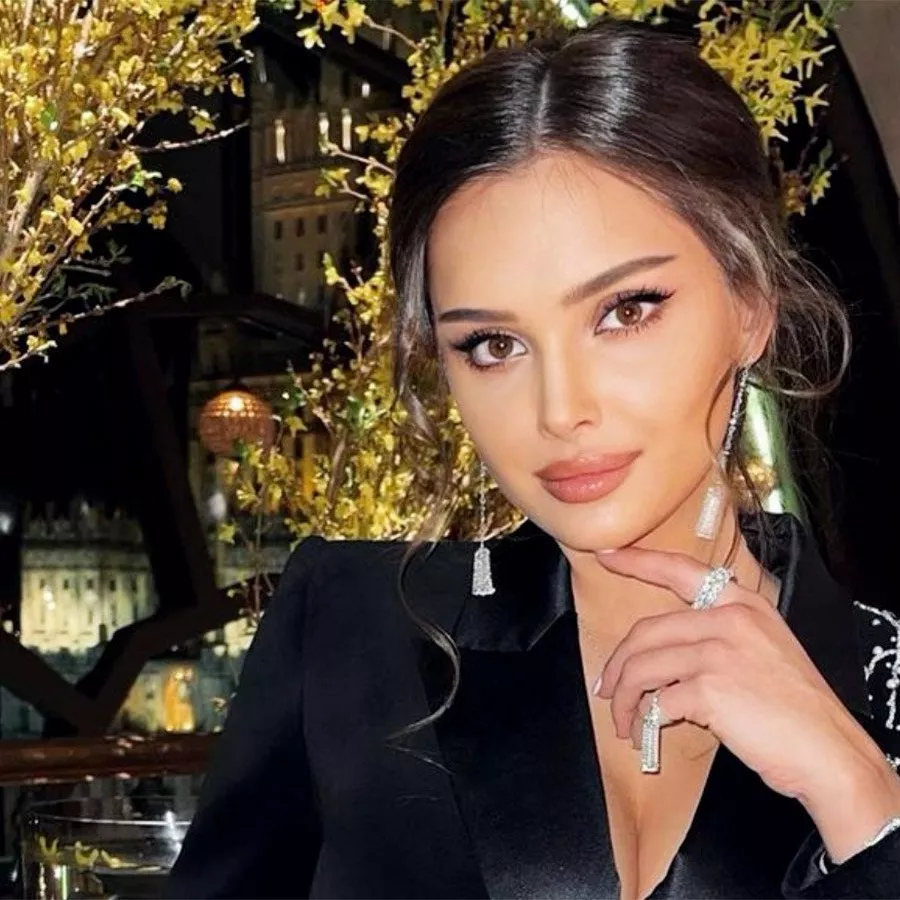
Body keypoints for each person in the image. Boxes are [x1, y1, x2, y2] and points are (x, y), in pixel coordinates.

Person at [167, 17, 900, 900]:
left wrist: (863, 802)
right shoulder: (351, 631)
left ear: (751, 306)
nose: (560, 411)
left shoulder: (880, 681)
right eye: (493, 345)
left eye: (625, 311)